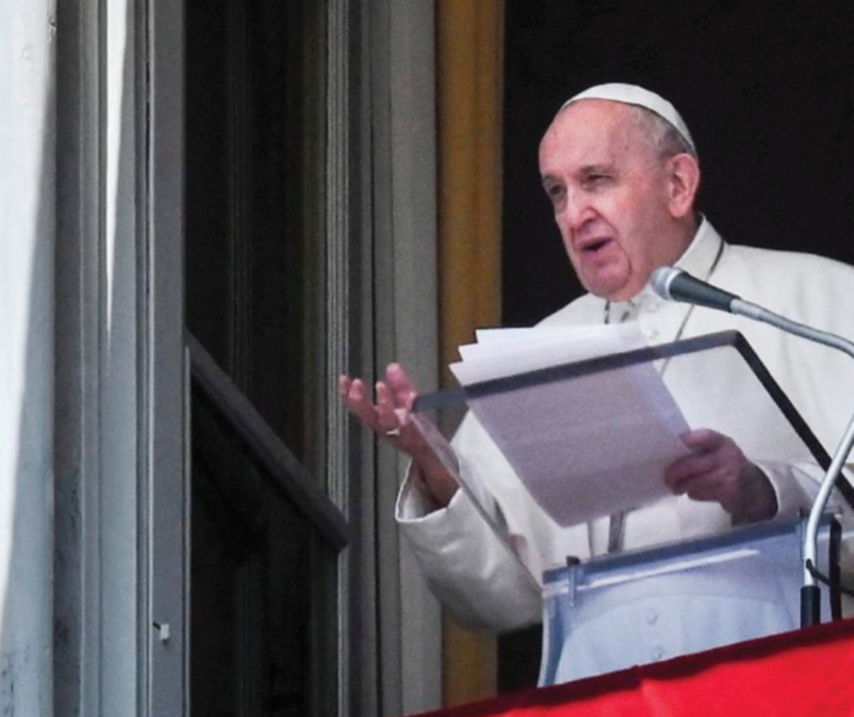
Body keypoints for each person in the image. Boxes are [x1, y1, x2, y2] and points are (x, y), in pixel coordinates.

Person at [340, 83, 854, 679]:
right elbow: (493, 599)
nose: (573, 212)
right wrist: (434, 467)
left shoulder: (820, 301)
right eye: (557, 192)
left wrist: (762, 490)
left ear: (678, 185)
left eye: (597, 180)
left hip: (775, 683)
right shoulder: (538, 353)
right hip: (595, 688)